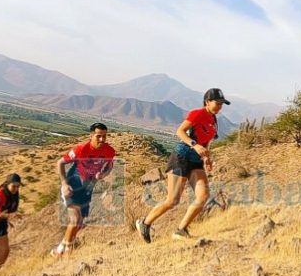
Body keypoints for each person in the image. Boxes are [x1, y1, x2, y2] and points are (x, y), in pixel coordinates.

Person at [135, 88, 230, 243]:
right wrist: (194, 145)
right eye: (217, 103)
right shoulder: (197, 113)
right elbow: (180, 131)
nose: (220, 106)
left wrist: (207, 157)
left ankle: (181, 230)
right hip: (181, 157)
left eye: (222, 104)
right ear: (207, 102)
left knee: (203, 196)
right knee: (173, 200)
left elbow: (206, 143)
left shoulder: (214, 120)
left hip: (196, 162)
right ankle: (144, 223)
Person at [51, 122, 116, 257]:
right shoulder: (81, 149)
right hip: (72, 186)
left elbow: (109, 165)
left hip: (87, 188)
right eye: (98, 136)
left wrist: (103, 174)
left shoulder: (109, 151)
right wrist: (64, 184)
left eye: (104, 136)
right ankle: (68, 253)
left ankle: (59, 249)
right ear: (91, 135)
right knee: (75, 220)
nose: (102, 140)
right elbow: (60, 162)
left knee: (79, 224)